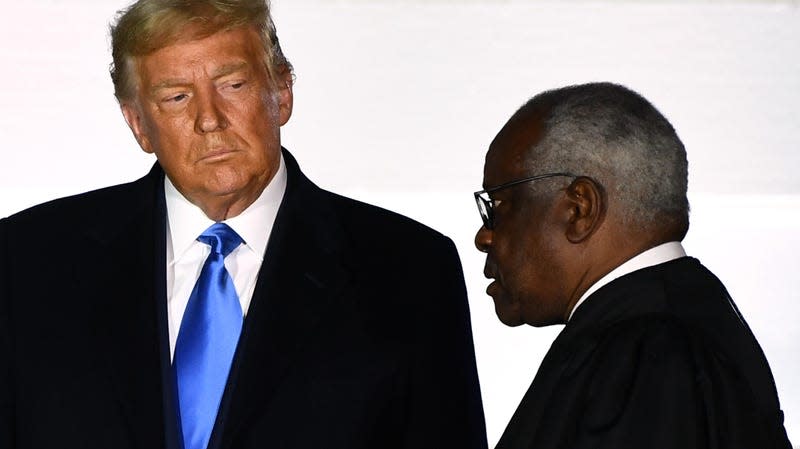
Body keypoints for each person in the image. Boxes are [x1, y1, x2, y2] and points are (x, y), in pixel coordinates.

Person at [0, 1, 487, 448]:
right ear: (138, 124)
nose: (209, 119)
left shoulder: (410, 271)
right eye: (175, 97)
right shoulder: (26, 262)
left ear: (282, 91)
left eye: (232, 85)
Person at [474, 82, 792, 449]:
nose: (484, 237)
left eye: (497, 207)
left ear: (580, 209)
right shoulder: (682, 321)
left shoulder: (646, 354)